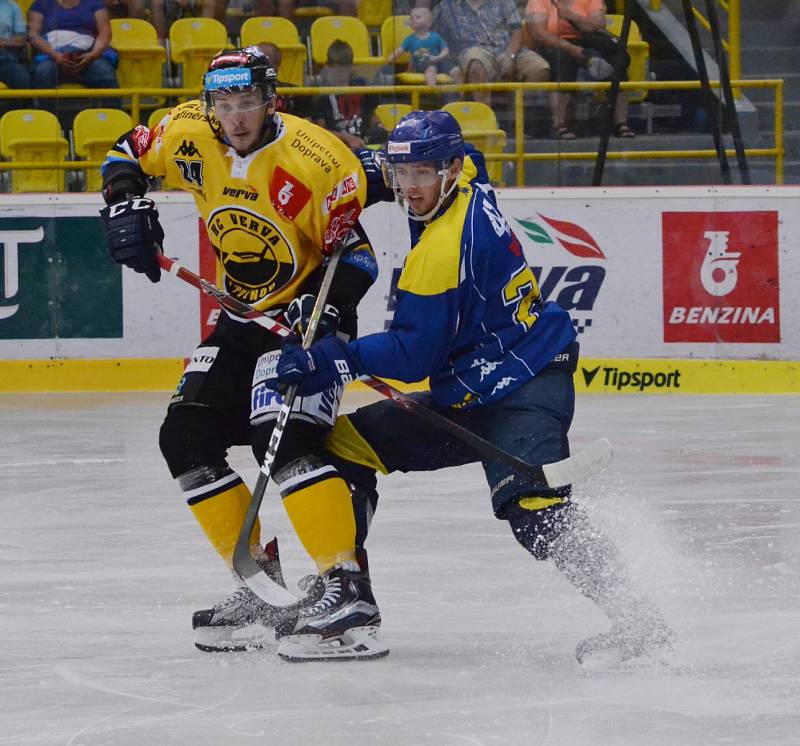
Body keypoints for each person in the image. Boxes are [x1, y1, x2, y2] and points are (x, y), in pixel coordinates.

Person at [270, 110, 674, 665]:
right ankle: (348, 596)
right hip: (472, 388)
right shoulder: (473, 184)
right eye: (400, 172)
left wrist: (327, 359)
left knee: (533, 512)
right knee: (342, 448)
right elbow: (459, 164)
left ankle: (639, 619)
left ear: (451, 168)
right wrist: (366, 173)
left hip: (525, 383)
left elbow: (413, 355)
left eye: (424, 172)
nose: (410, 188)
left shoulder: (442, 250)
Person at [99, 46, 379, 653]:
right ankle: (260, 585)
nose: (236, 117)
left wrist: (325, 309)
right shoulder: (187, 131)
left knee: (281, 439)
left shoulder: (315, 159)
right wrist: (125, 201)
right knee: (184, 436)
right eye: (224, 105)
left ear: (270, 100)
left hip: (309, 326)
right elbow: (125, 150)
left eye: (247, 102)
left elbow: (357, 257)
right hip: (241, 318)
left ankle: (346, 587)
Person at [525, 0, 635, 139]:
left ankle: (620, 123)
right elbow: (539, 34)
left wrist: (573, 17)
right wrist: (572, 49)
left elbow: (598, 26)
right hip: (553, 43)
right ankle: (559, 125)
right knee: (565, 61)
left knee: (618, 59)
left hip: (585, 38)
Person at [433, 0, 549, 107]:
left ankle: (516, 119)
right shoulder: (447, 6)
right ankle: (485, 119)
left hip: (507, 49)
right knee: (476, 61)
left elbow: (516, 31)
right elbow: (437, 39)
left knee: (539, 68)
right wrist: (452, 65)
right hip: (473, 50)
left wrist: (510, 57)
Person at [28, 0, 120, 110]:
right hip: (52, 55)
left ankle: (113, 120)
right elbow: (33, 35)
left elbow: (105, 33)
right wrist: (55, 55)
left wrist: (93, 55)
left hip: (88, 55)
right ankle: (46, 121)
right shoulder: (41, 4)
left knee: (104, 71)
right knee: (43, 71)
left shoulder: (95, 3)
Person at [313, 39, 388, 148]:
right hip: (336, 143)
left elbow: (371, 115)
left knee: (381, 134)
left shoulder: (361, 85)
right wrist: (347, 138)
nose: (343, 75)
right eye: (338, 71)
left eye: (346, 71)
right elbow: (321, 131)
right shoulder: (320, 92)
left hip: (362, 140)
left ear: (352, 67)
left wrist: (379, 126)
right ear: (327, 66)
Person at [384, 5, 460, 88]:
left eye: (417, 17)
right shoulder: (410, 39)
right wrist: (390, 58)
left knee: (456, 70)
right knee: (431, 70)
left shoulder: (436, 36)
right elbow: (400, 50)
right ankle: (432, 93)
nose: (413, 19)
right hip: (421, 66)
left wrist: (438, 57)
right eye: (411, 18)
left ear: (428, 23)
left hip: (439, 63)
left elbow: (445, 50)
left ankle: (461, 95)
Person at [256, 41, 314, 120]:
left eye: (262, 59)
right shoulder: (243, 94)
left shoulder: (297, 94)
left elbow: (307, 128)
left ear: (277, 65)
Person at [0, 0, 32, 107]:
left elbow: (22, 38)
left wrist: (3, 42)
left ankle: (20, 118)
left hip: (4, 59)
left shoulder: (12, 6)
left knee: (22, 77)